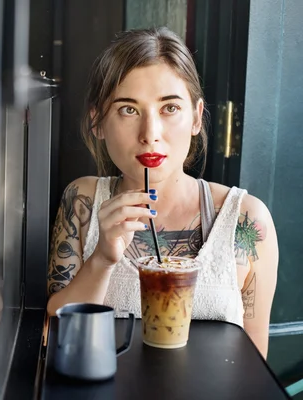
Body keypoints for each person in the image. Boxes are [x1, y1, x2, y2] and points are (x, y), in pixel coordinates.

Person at [46, 27, 278, 359]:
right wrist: (101, 259)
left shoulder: (246, 219)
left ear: (196, 118)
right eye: (128, 109)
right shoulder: (82, 201)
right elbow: (54, 332)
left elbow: (254, 365)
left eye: (169, 108)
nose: (150, 134)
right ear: (97, 121)